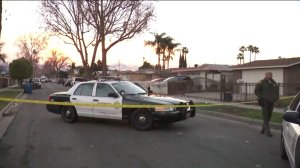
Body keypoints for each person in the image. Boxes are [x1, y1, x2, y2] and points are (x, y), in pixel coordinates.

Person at [254, 72, 279, 137]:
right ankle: (268, 132)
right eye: (269, 74)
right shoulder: (261, 82)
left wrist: (276, 99)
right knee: (265, 116)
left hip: (272, 101)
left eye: (271, 74)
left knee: (269, 116)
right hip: (264, 102)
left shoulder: (273, 82)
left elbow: (276, 91)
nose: (271, 76)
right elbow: (256, 91)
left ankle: (263, 129)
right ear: (265, 75)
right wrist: (261, 97)